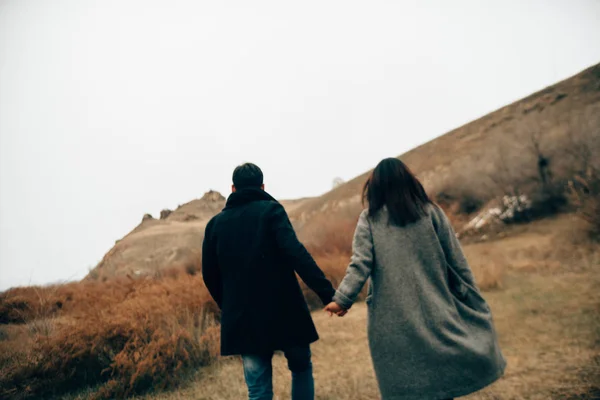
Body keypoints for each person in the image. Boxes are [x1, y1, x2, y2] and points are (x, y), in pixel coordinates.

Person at [324, 157, 506, 400]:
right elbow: (457, 261)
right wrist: (472, 298)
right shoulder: (431, 213)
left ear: (375, 186)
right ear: (409, 181)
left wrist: (342, 300)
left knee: (412, 388)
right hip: (438, 310)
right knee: (442, 382)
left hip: (394, 323)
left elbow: (360, 264)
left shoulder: (369, 219)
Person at [202, 163, 335, 400]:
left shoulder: (215, 225)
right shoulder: (272, 211)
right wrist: (328, 294)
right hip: (285, 310)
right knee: (301, 367)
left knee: (258, 388)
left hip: (243, 317)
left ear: (233, 189)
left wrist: (229, 305)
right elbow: (297, 254)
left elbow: (209, 274)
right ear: (262, 186)